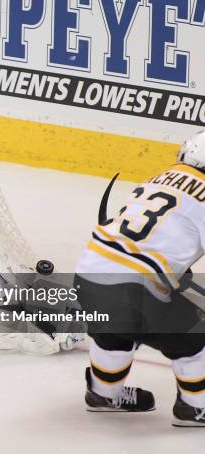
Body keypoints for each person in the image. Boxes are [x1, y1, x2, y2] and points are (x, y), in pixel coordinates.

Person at [74, 131, 205, 427]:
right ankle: (196, 408)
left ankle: (103, 394)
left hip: (86, 277)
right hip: (135, 293)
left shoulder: (160, 178)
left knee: (113, 329)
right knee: (196, 334)